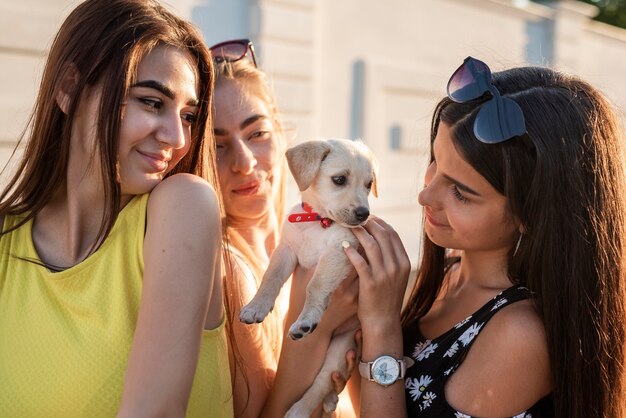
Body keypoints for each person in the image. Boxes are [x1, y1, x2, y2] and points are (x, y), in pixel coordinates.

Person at [343, 57, 626, 417]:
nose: (425, 195)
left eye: (461, 192)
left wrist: (381, 328)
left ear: (531, 214)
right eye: (435, 163)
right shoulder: (450, 274)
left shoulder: (520, 335)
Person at [0, 1, 231, 417]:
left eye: (190, 115)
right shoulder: (5, 241)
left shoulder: (184, 207)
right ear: (69, 88)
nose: (178, 137)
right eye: (151, 102)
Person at [210, 40, 358, 417]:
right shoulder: (228, 272)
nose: (244, 162)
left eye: (257, 133)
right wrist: (319, 324)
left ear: (279, 128)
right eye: (218, 145)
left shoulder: (312, 238)